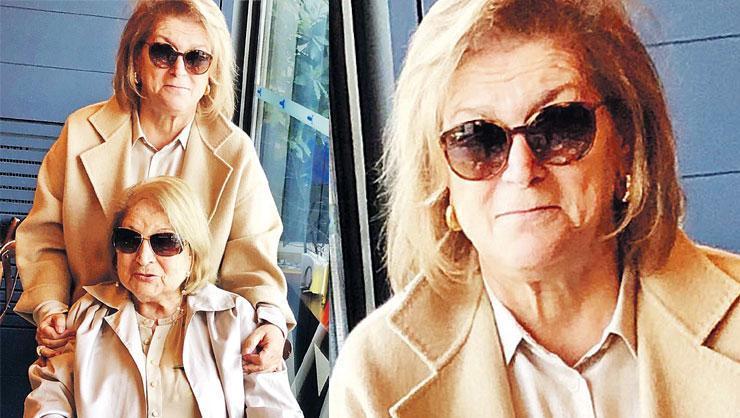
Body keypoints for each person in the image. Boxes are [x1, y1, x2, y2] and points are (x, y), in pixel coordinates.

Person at [329, 0, 740, 416]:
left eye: (559, 126)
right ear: (441, 183)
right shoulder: (378, 376)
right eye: (478, 140)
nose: (521, 170)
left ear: (625, 145)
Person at [15, 0, 293, 372]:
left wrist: (270, 321)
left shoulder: (235, 151)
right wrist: (50, 307)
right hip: (87, 345)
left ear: (212, 72)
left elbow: (253, 251)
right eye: (163, 53)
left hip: (190, 358)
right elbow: (45, 236)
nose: (179, 70)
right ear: (136, 59)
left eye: (196, 58)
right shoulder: (81, 133)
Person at [23, 177, 303, 418]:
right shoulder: (87, 314)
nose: (143, 258)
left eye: (165, 242)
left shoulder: (233, 319)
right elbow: (51, 394)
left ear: (192, 254)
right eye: (129, 240)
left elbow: (275, 409)